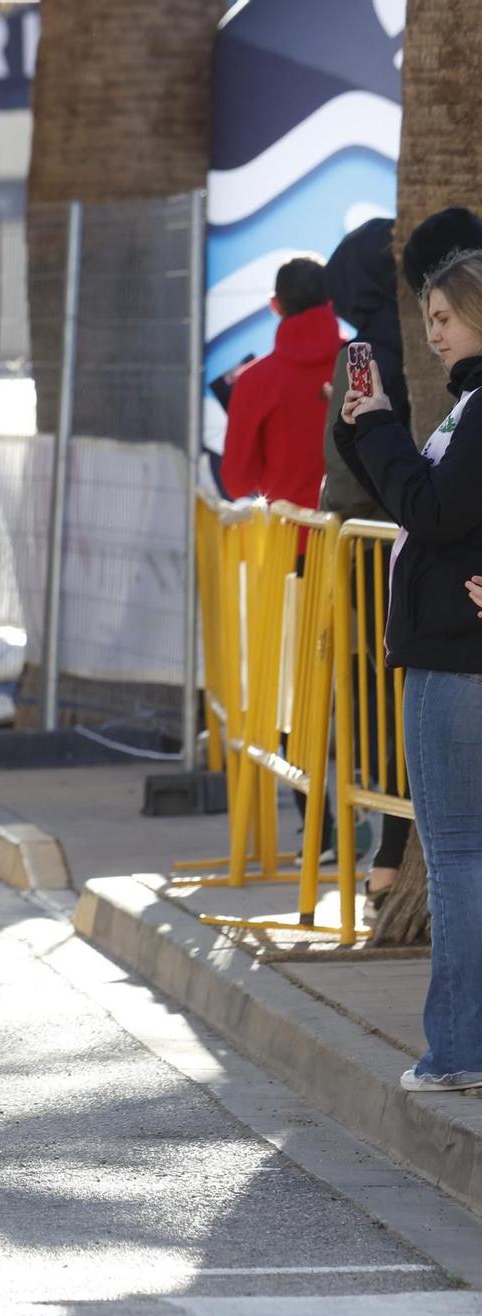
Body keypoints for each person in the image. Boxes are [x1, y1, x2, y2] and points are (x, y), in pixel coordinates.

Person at [336, 248, 482, 1093]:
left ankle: (460, 1048)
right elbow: (423, 502)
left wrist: (381, 425)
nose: (433, 335)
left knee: (457, 852)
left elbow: (433, 508)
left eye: (444, 317)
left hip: (455, 660)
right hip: (450, 651)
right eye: (426, 319)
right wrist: (367, 431)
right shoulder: (467, 409)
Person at [319, 219, 413, 913]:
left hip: (366, 541)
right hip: (399, 538)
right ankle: (389, 854)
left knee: (383, 700)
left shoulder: (359, 349)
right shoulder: (414, 338)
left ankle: (387, 857)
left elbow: (344, 446)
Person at [222, 257, 340, 510]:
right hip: (357, 538)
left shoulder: (253, 380)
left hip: (286, 539)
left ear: (275, 305)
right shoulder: (362, 363)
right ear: (331, 301)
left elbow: (237, 482)